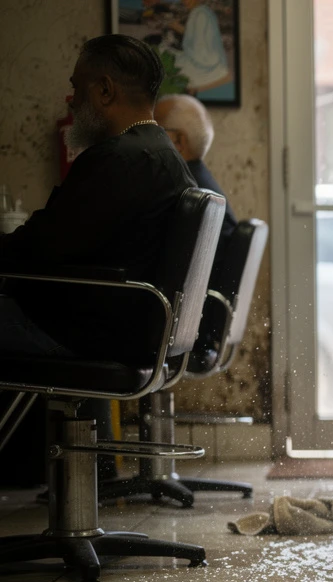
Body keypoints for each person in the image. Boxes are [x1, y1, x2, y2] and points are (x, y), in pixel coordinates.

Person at [0, 34, 197, 361]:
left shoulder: (118, 160)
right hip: (123, 332)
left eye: (77, 88)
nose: (71, 100)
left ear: (105, 90)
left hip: (81, 333)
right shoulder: (165, 156)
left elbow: (38, 251)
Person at [155, 93, 236, 243]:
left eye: (155, 129)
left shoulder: (180, 191)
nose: (148, 137)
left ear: (179, 140)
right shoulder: (201, 181)